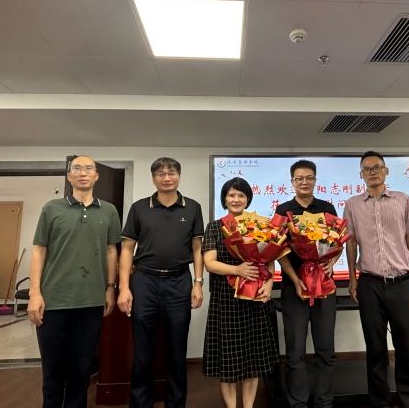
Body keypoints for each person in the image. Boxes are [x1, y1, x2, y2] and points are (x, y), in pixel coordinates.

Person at [28, 155, 121, 408]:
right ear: (69, 176)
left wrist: (110, 288)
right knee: (53, 372)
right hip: (53, 302)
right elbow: (39, 250)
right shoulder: (52, 208)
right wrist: (35, 293)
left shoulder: (109, 211)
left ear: (96, 176)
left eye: (88, 168)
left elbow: (111, 251)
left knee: (81, 372)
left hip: (91, 303)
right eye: (77, 169)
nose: (83, 173)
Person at [117, 157, 204, 408]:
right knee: (143, 351)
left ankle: (175, 403)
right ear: (153, 178)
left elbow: (197, 247)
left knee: (177, 350)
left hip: (179, 282)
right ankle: (140, 403)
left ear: (179, 176)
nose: (167, 178)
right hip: (145, 282)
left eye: (172, 173)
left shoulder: (192, 207)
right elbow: (127, 248)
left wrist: (198, 283)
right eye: (161, 174)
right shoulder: (139, 208)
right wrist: (124, 287)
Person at [343, 151, 409, 408]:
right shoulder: (352, 204)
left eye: (377, 167)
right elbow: (350, 243)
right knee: (375, 347)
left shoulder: (403, 200)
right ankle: (379, 402)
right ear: (361, 175)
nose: (372, 172)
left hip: (401, 283)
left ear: (386, 171)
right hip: (369, 284)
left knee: (405, 345)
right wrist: (353, 279)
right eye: (367, 169)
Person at [202, 177, 278, 408]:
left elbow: (270, 258)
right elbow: (209, 263)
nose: (236, 199)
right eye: (231, 195)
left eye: (241, 195)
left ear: (248, 199)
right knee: (229, 360)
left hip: (254, 299)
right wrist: (237, 270)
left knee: (253, 361)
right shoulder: (215, 227)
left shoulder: (259, 225)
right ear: (225, 199)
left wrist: (269, 282)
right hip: (226, 300)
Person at [274, 160, 338, 408]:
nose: (304, 182)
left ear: (315, 180)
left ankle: (324, 401)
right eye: (299, 178)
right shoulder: (283, 210)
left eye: (309, 177)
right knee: (295, 351)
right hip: (294, 289)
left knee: (326, 349)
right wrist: (295, 279)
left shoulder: (327, 208)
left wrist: (331, 263)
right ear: (292, 182)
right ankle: (298, 403)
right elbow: (276, 249)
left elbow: (337, 242)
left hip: (324, 287)